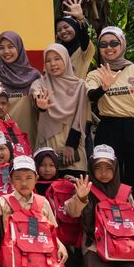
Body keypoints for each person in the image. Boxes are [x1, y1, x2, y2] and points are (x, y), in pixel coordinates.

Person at [86, 26, 134, 227]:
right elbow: (90, 95)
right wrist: (104, 87)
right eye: (103, 44)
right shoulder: (96, 73)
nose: (108, 48)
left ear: (122, 44)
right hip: (109, 128)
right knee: (107, 180)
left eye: (113, 43)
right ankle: (111, 229)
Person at [65, 145, 134, 267]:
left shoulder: (125, 191)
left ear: (115, 168)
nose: (103, 173)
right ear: (91, 168)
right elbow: (73, 212)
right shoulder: (85, 188)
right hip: (94, 242)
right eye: (98, 168)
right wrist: (81, 198)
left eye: (108, 168)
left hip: (122, 242)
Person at [34, 43, 89, 171]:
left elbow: (79, 119)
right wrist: (41, 105)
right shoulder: (40, 83)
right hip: (48, 145)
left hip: (72, 146)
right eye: (48, 60)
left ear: (66, 59)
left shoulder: (79, 85)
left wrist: (71, 145)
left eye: (57, 58)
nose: (52, 64)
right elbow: (36, 95)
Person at [0, 31, 41, 150]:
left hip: (29, 139)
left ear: (19, 48)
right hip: (0, 145)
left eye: (10, 46)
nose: (6, 52)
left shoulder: (34, 76)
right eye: (1, 48)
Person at [55, 0, 95, 78]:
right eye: (59, 30)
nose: (63, 31)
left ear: (75, 27)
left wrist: (80, 18)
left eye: (66, 27)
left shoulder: (84, 51)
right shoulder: (56, 51)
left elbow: (84, 36)